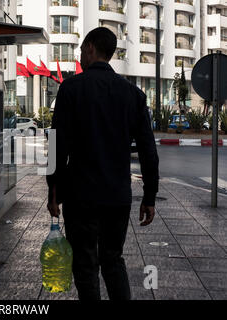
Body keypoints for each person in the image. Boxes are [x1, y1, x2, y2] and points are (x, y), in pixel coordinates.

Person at [46, 27, 159, 300]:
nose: (80, 55)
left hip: (80, 196)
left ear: (90, 48)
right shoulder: (133, 94)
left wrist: (54, 191)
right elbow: (147, 150)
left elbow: (56, 145)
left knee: (85, 265)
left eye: (81, 49)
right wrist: (150, 196)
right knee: (112, 259)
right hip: (117, 196)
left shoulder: (71, 88)